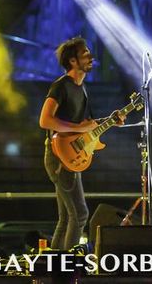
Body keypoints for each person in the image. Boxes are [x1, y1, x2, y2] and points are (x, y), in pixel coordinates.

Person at [39, 37, 125, 251]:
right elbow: (45, 120)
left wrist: (111, 121)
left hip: (70, 157)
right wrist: (79, 129)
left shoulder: (82, 89)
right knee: (80, 214)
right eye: (85, 53)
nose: (91, 57)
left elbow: (87, 126)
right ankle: (69, 266)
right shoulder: (60, 86)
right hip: (59, 157)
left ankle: (56, 266)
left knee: (66, 218)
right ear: (73, 61)